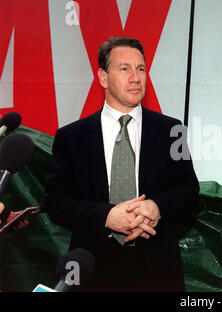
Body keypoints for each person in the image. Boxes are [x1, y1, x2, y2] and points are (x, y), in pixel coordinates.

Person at [41, 37, 199, 291]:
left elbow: (189, 191)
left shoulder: (172, 130)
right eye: (124, 69)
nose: (136, 78)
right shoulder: (71, 137)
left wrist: (158, 206)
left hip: (158, 271)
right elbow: (56, 203)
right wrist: (106, 216)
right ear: (103, 77)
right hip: (92, 270)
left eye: (141, 69)